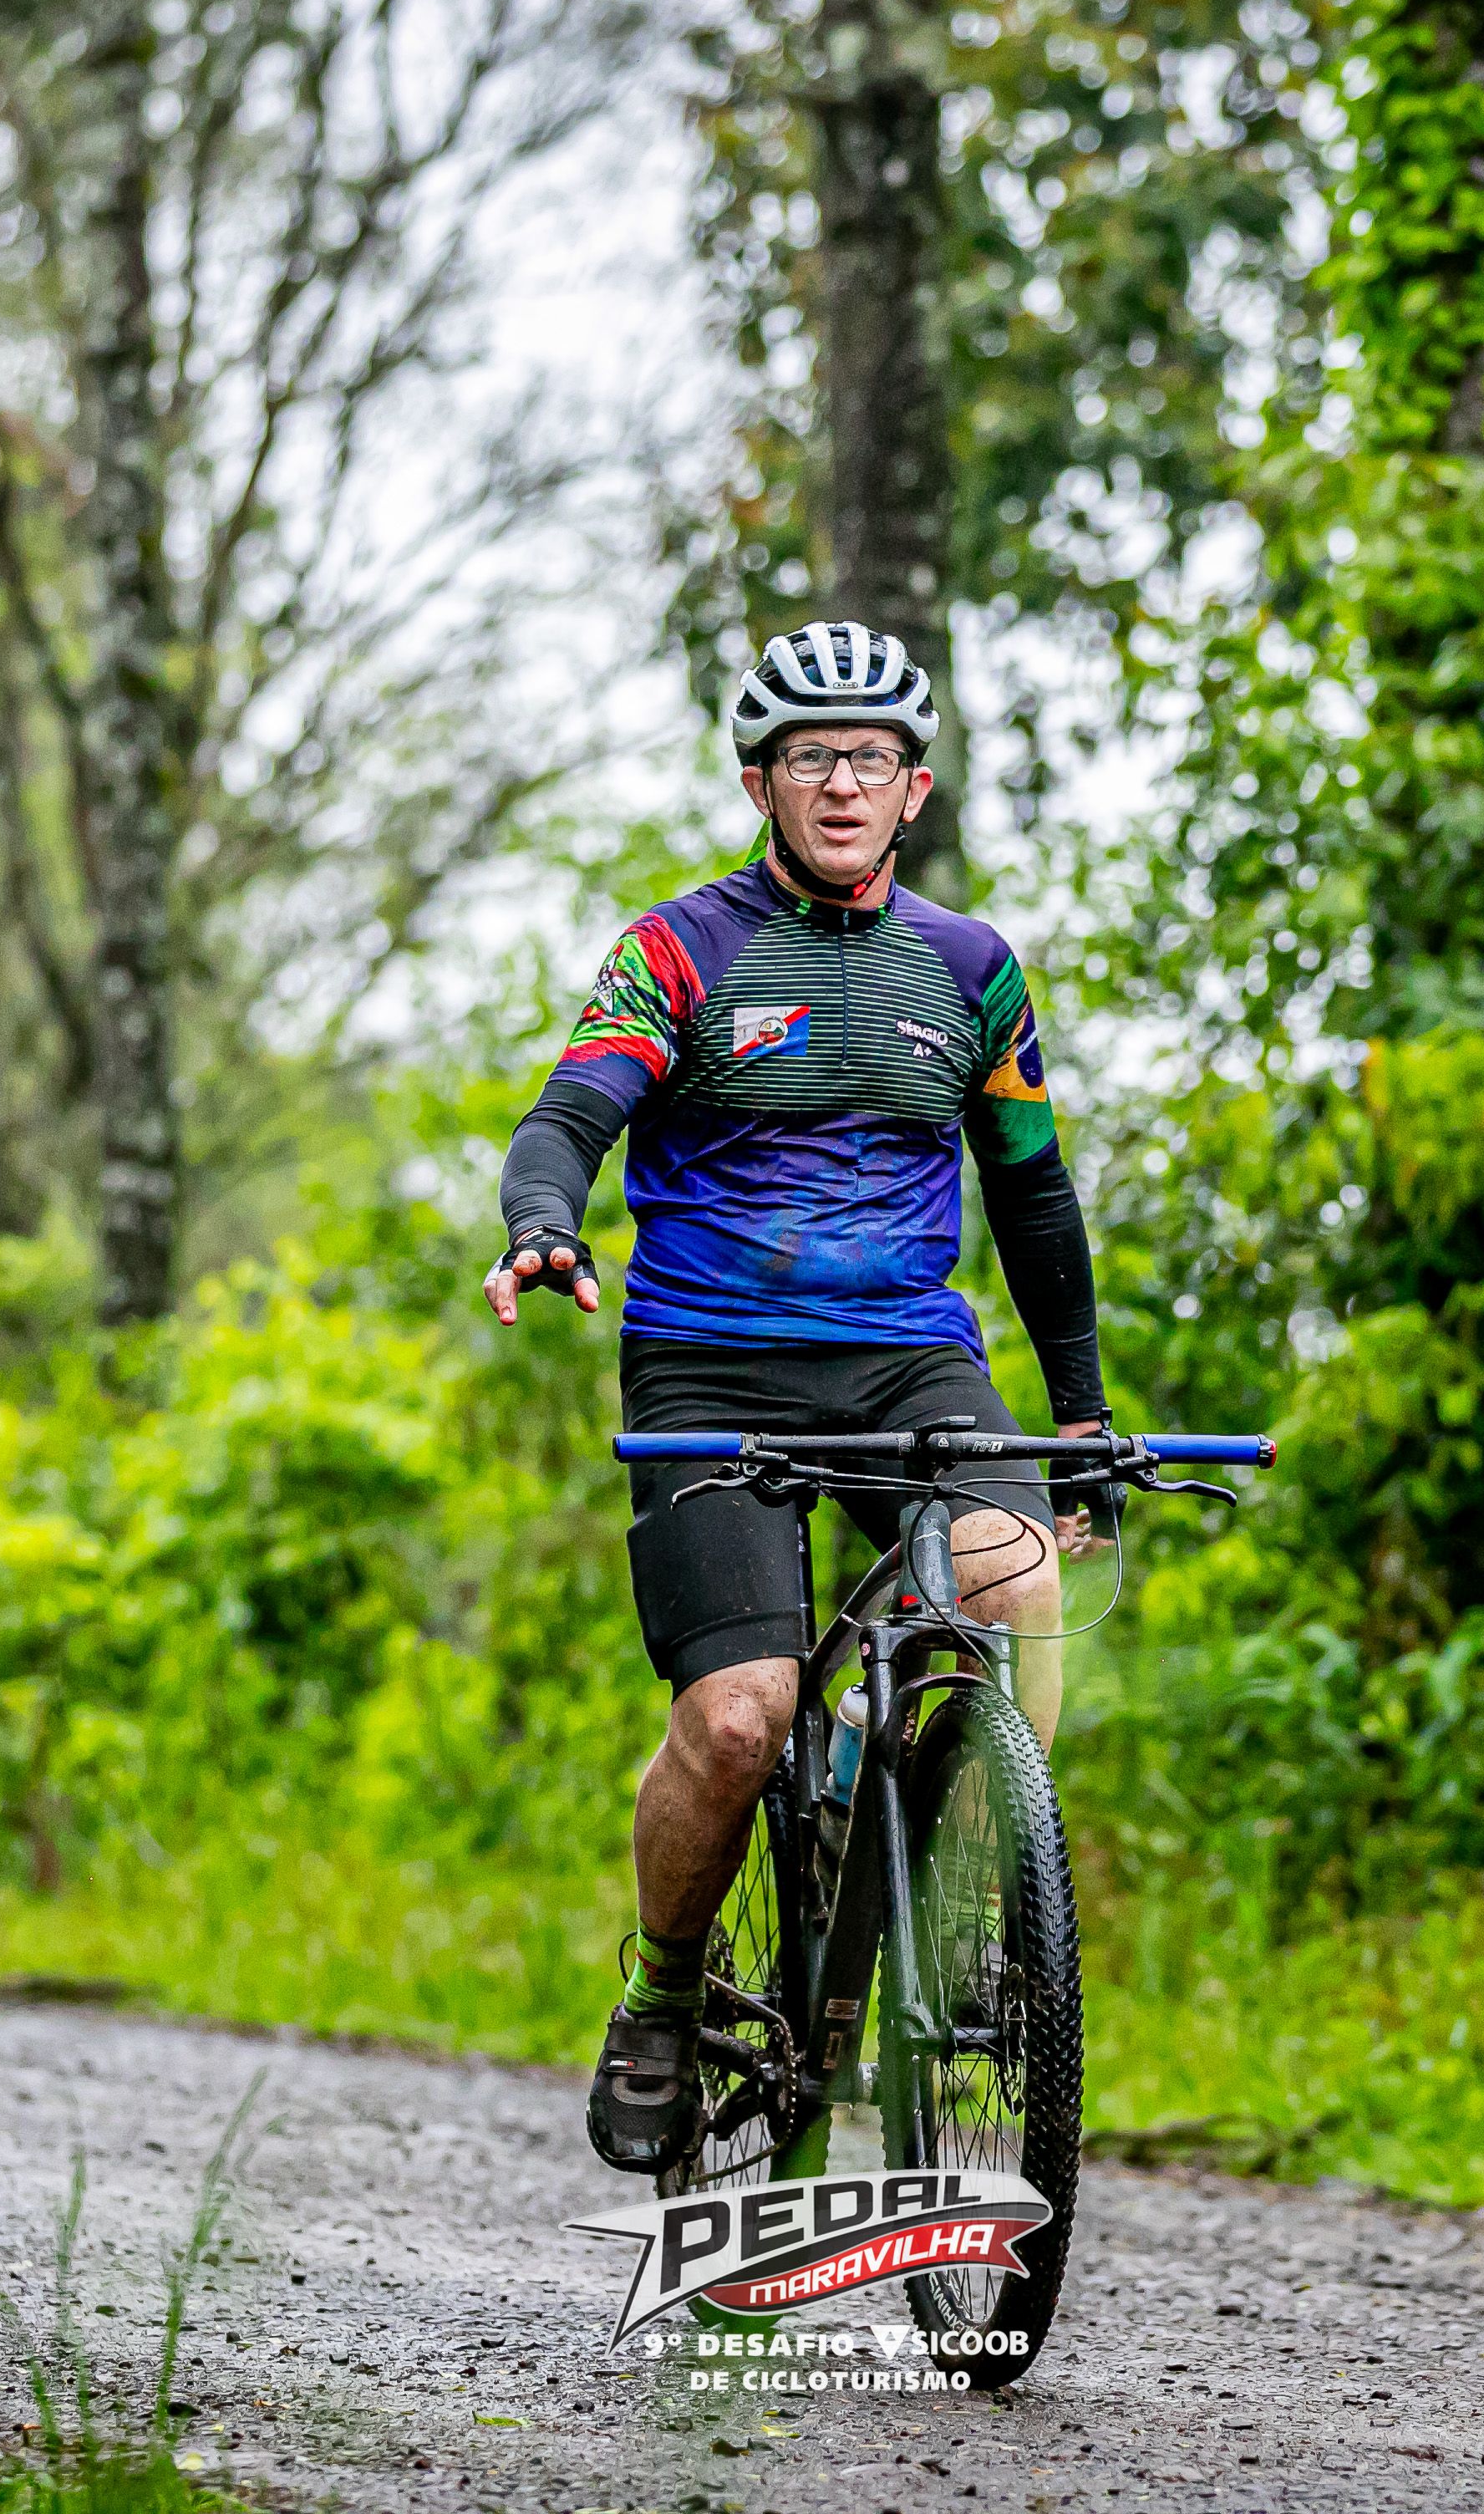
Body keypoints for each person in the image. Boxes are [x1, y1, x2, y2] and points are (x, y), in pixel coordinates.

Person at [489, 619, 1110, 2175]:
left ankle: (979, 1916)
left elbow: (1034, 1199)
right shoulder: (680, 952)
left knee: (1017, 1584)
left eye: (873, 759)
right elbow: (569, 1116)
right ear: (760, 782)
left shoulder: (970, 971)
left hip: (909, 1356)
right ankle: (665, 1993)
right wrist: (545, 1222)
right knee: (741, 1717)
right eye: (812, 757)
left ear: (915, 790)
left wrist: (1081, 1423)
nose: (844, 784)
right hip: (709, 1359)